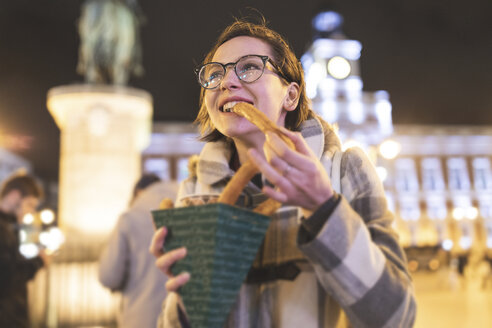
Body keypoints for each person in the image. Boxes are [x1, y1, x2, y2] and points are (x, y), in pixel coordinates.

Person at [150, 18, 416, 327]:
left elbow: (396, 316)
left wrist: (324, 208)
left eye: (249, 66)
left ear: (290, 95)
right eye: (214, 73)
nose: (226, 82)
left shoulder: (344, 169)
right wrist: (188, 297)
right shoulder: (196, 189)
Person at [98, 173, 179, 328]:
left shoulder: (129, 218)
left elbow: (108, 276)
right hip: (180, 316)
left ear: (138, 193)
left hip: (141, 317)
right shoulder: (185, 209)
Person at [0, 173, 47, 328]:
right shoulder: (3, 229)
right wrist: (39, 261)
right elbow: (7, 278)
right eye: (30, 205)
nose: (31, 212)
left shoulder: (9, 227)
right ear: (14, 196)